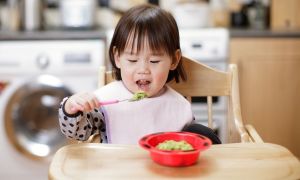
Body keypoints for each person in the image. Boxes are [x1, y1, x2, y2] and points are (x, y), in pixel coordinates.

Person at [58, 4, 221, 144]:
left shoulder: (178, 105)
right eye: (132, 60)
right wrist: (71, 107)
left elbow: (188, 145)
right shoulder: (106, 101)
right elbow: (77, 132)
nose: (143, 69)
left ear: (174, 60)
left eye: (154, 61)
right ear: (117, 58)